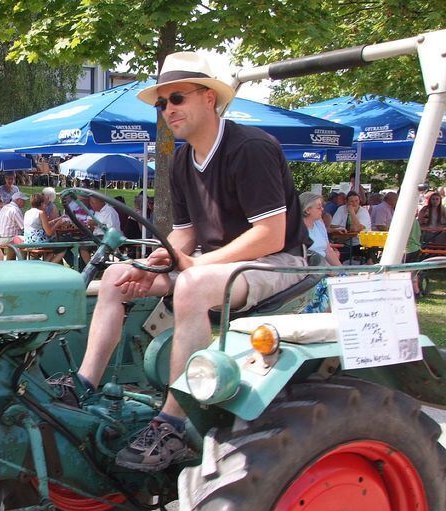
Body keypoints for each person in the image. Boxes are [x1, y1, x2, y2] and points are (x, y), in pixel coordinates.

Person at [57, 51, 309, 472]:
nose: (168, 110)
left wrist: (192, 266)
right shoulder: (181, 160)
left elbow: (271, 234)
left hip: (278, 261)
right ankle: (84, 383)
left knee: (191, 285)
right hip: (215, 262)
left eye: (177, 98)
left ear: (209, 98)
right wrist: (160, 258)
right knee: (118, 274)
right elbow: (187, 231)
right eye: (162, 103)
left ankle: (172, 422)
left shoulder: (251, 148)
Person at [300, 191, 340, 265]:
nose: (322, 209)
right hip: (311, 271)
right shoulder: (297, 229)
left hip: (325, 268)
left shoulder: (319, 224)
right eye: (319, 207)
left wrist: (342, 271)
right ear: (307, 210)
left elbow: (328, 251)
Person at [329, 190, 370, 260]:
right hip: (343, 241)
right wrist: (343, 228)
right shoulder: (341, 209)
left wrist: (352, 212)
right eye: (351, 201)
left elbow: (357, 229)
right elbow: (332, 225)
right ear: (347, 202)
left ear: (359, 200)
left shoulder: (363, 212)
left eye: (356, 200)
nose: (354, 203)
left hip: (359, 242)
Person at [0, 191, 28, 258]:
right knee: (26, 242)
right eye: (23, 200)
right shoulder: (15, 210)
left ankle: (11, 261)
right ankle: (23, 262)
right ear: (18, 200)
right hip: (9, 238)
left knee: (19, 239)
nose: (25, 202)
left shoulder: (4, 207)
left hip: (0, 238)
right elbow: (23, 227)